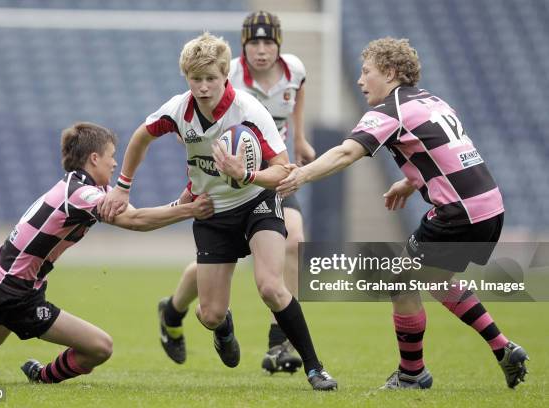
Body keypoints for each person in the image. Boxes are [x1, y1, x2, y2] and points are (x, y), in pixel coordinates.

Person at [277, 37, 528, 389]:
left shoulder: (390, 110)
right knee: (436, 281)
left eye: (367, 72)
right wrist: (409, 183)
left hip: (459, 212)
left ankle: (412, 375)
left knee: (399, 281)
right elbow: (443, 150)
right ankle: (504, 349)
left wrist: (303, 174)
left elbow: (347, 153)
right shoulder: (432, 101)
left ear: (391, 72)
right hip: (488, 204)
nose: (360, 81)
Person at [100, 32, 337, 391]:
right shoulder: (178, 110)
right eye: (196, 79)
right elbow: (140, 137)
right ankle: (221, 326)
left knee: (271, 287)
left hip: (257, 202)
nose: (204, 86)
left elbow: (284, 168)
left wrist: (247, 174)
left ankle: (315, 368)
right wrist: (123, 185)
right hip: (211, 212)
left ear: (226, 75)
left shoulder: (249, 111)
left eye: (211, 78)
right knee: (210, 315)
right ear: (187, 78)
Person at [0, 122, 214, 383]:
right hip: (14, 290)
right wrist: (189, 211)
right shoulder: (80, 195)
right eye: (111, 156)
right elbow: (135, 222)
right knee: (100, 347)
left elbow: (133, 213)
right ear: (94, 158)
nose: (116, 163)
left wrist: (181, 203)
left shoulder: (86, 187)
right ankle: (42, 376)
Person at [156, 10, 314, 374]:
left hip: (268, 173)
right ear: (242, 48)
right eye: (254, 43)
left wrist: (300, 136)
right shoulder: (226, 75)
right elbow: (189, 123)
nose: (261, 50)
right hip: (221, 179)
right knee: (215, 265)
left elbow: (298, 94)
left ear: (279, 45)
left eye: (268, 42)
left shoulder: (295, 69)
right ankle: (174, 309)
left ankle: (280, 343)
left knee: (293, 241)